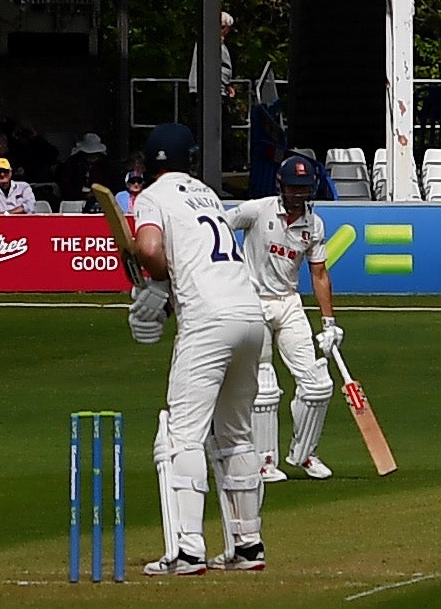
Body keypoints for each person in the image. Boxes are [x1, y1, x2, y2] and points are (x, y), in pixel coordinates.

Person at [116, 131, 274, 576]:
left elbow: (149, 248)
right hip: (251, 315)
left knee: (181, 435)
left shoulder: (150, 196)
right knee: (238, 435)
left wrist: (157, 280)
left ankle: (187, 549)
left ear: (146, 162)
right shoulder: (206, 194)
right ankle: (247, 545)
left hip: (207, 320)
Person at [248, 152, 341, 482]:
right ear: (281, 186)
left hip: (289, 303)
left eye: (304, 188)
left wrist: (329, 323)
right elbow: (219, 227)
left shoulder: (314, 225)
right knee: (264, 386)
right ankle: (263, 461)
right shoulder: (258, 210)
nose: (299, 194)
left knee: (317, 385)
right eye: (293, 188)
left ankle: (304, 455)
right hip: (254, 302)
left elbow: (319, 274)